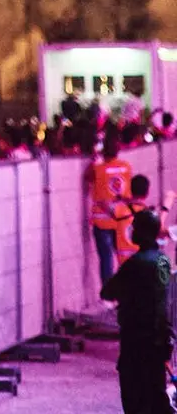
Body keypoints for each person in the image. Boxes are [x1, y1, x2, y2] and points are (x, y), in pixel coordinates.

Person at [102, 209, 172, 414]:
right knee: (157, 395)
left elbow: (108, 291)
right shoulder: (163, 260)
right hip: (159, 338)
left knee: (134, 395)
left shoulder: (135, 264)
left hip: (136, 339)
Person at [90, 130, 135, 286]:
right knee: (123, 257)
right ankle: (127, 291)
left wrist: (94, 159)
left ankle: (109, 295)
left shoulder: (97, 169)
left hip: (102, 222)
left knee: (106, 258)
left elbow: (87, 178)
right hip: (121, 221)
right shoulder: (126, 167)